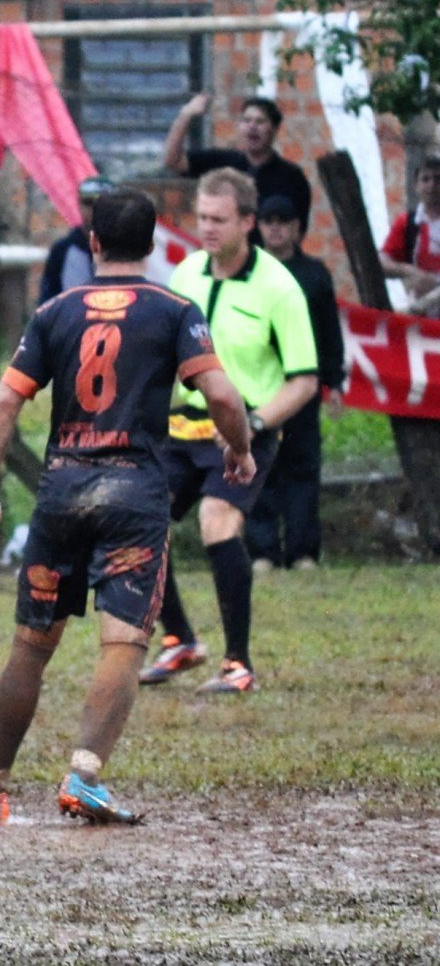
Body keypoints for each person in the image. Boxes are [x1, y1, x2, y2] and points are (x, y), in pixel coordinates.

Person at [0, 188, 252, 826]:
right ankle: (84, 774)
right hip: (134, 492)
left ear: (92, 242)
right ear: (151, 247)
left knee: (31, 646)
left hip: (61, 489)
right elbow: (222, 394)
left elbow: (3, 405)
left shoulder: (55, 311)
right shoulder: (174, 310)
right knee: (125, 640)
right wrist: (240, 449)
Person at [139, 169, 320, 694]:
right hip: (184, 427)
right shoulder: (187, 274)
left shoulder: (279, 287)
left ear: (247, 222)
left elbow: (305, 380)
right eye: (202, 219)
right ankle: (180, 642)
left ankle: (238, 664)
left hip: (247, 433)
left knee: (217, 522)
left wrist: (256, 422)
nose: (208, 229)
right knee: (143, 523)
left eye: (219, 220)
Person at [246, 194, 345, 572]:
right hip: (257, 386)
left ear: (297, 228)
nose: (274, 228)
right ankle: (263, 551)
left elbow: (330, 333)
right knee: (258, 468)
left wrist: (333, 381)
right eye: (268, 220)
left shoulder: (315, 275)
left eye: (282, 220)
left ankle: (303, 552)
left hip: (301, 385)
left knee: (302, 470)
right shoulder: (248, 272)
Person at [162, 94, 312, 242]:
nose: (252, 127)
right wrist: (186, 114)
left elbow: (298, 232)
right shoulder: (223, 163)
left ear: (274, 129)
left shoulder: (291, 176)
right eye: (246, 120)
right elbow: (173, 161)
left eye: (260, 121)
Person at [37, 176, 116, 304]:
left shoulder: (125, 248)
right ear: (79, 205)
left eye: (102, 203)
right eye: (88, 203)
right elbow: (47, 302)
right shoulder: (62, 250)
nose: (94, 210)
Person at [379, 153, 440, 316]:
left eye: (438, 179)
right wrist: (412, 273)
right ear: (416, 185)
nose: (432, 185)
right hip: (419, 313)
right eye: (425, 179)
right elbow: (382, 262)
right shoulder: (408, 223)